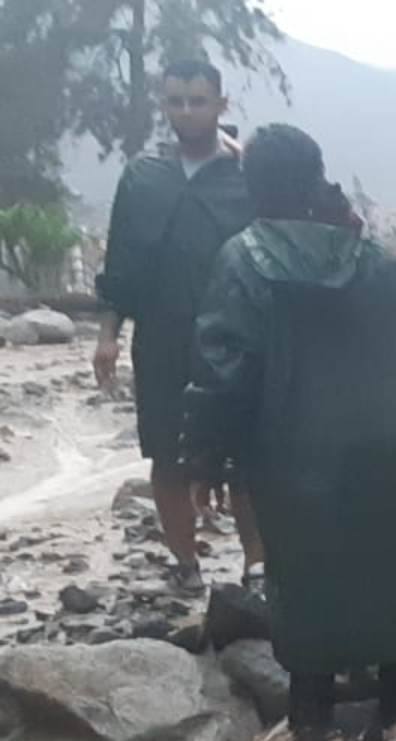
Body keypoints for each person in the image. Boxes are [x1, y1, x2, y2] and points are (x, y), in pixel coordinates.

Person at [184, 124, 396, 741]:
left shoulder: (241, 258)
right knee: (392, 571)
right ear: (317, 180)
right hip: (386, 449)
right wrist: (361, 231)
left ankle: (319, 735)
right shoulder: (371, 255)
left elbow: (223, 368)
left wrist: (206, 457)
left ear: (253, 188)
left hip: (293, 454)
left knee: (300, 579)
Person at [94, 58, 266, 593]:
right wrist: (107, 335)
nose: (186, 111)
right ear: (163, 106)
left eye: (197, 100)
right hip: (162, 340)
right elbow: (121, 262)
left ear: (222, 104)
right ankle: (184, 563)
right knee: (166, 454)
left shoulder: (248, 179)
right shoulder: (143, 179)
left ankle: (257, 567)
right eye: (175, 101)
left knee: (246, 456)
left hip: (237, 343)